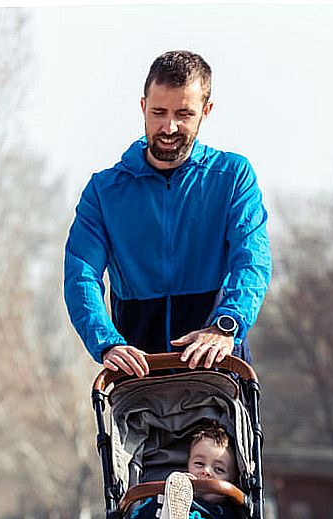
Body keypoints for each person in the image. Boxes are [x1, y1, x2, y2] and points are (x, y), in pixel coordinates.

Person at [64, 50, 272, 378]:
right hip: (138, 371)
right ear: (143, 106)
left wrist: (227, 324)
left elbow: (251, 261)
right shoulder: (103, 192)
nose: (169, 126)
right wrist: (107, 343)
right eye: (159, 112)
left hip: (216, 361)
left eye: (184, 114)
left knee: (209, 434)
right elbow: (81, 276)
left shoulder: (233, 176)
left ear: (207, 111)